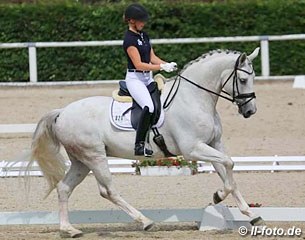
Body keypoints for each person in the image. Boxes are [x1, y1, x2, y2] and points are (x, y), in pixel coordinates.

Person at [123, 3, 177, 157]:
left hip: (148, 79)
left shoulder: (143, 35)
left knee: (162, 103)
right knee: (149, 106)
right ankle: (139, 144)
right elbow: (139, 65)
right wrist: (161, 67)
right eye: (141, 21)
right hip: (136, 79)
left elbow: (152, 58)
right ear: (132, 21)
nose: (143, 23)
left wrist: (167, 64)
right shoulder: (129, 40)